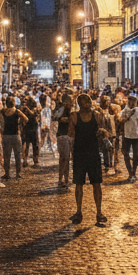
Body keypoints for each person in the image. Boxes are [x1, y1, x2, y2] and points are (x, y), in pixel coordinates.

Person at [68, 93, 107, 226]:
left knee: (96, 184)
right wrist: (71, 153)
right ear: (79, 104)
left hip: (93, 153)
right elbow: (71, 135)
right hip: (79, 154)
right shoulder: (74, 116)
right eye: (84, 102)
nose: (87, 104)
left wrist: (102, 134)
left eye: (88, 102)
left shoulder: (97, 115)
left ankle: (99, 212)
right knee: (79, 184)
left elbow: (103, 131)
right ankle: (79, 211)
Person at [117, 92, 138, 182]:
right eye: (130, 101)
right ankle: (131, 172)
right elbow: (120, 119)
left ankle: (133, 172)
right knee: (127, 154)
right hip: (128, 135)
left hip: (135, 135)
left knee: (134, 155)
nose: (132, 103)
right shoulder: (125, 110)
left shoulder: (137, 111)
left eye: (133, 101)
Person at [0, 96, 26, 180]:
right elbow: (26, 119)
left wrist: (1, 129)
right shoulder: (17, 111)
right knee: (17, 155)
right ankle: (18, 173)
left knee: (6, 155)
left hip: (6, 135)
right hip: (16, 135)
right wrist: (21, 126)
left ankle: (7, 173)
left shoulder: (3, 111)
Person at [54, 94, 74, 189]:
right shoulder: (62, 109)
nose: (72, 102)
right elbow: (56, 117)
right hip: (63, 135)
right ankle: (61, 179)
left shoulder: (71, 110)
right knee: (64, 158)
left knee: (66, 158)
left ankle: (65, 179)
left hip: (69, 136)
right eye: (70, 100)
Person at [21, 97, 40, 167]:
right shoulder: (23, 109)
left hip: (33, 128)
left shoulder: (35, 109)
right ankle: (25, 160)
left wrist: (27, 109)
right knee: (25, 145)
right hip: (26, 128)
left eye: (26, 101)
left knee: (35, 145)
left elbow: (34, 115)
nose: (24, 102)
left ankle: (36, 161)